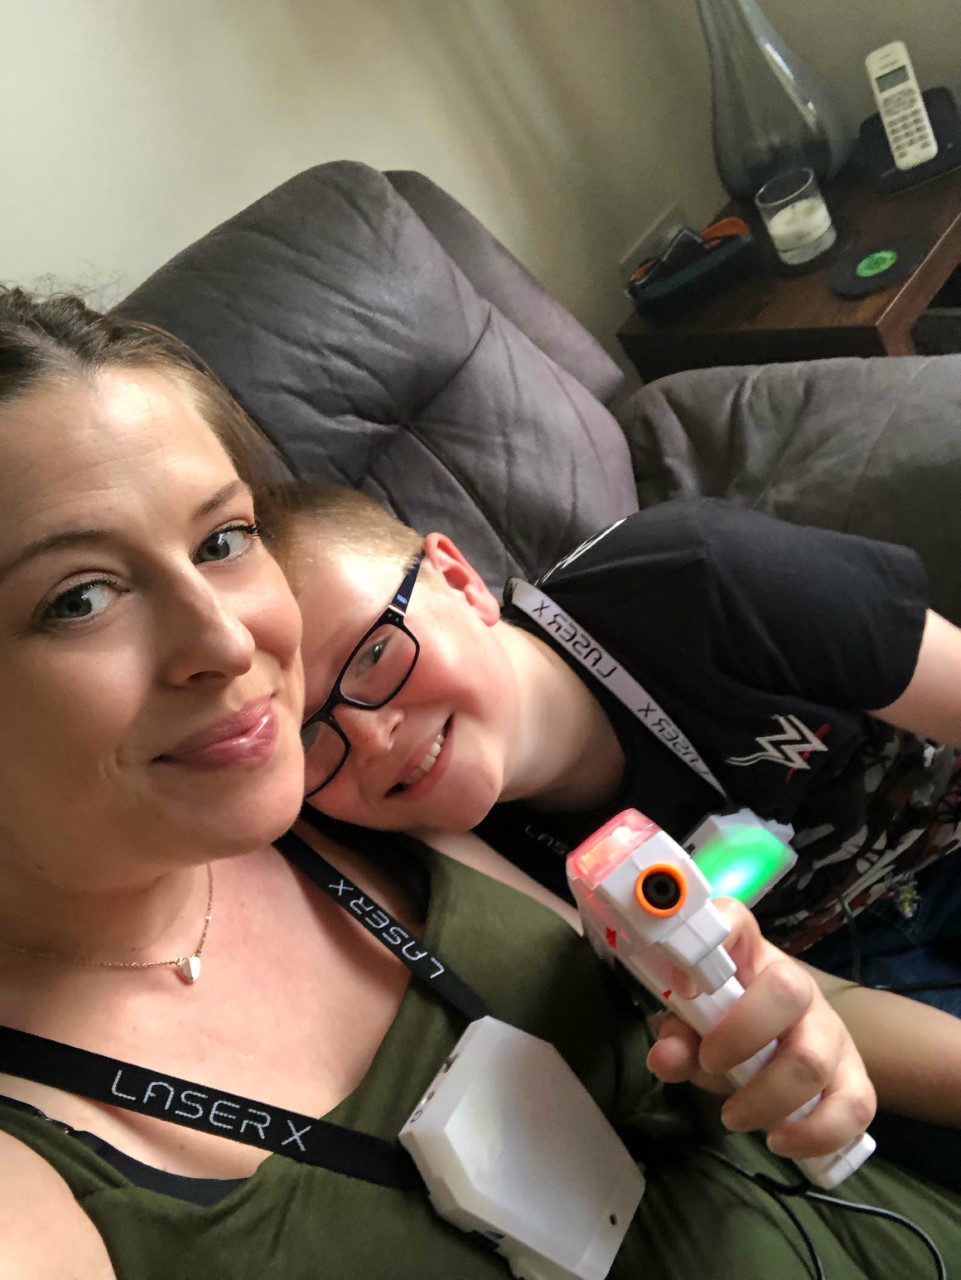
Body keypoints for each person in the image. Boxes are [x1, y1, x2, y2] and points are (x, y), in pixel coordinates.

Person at [0, 289, 957, 1278]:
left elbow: (739, 1006)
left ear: (458, 576)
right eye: (80, 598)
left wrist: (778, 1029)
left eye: (222, 540)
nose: (231, 643)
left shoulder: (298, 796)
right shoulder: (335, 796)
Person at [289, 482, 961, 1187]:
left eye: (373, 653)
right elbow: (801, 1007)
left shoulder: (699, 574)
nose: (370, 737)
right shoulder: (444, 865)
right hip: (846, 968)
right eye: (307, 735)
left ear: (459, 581)